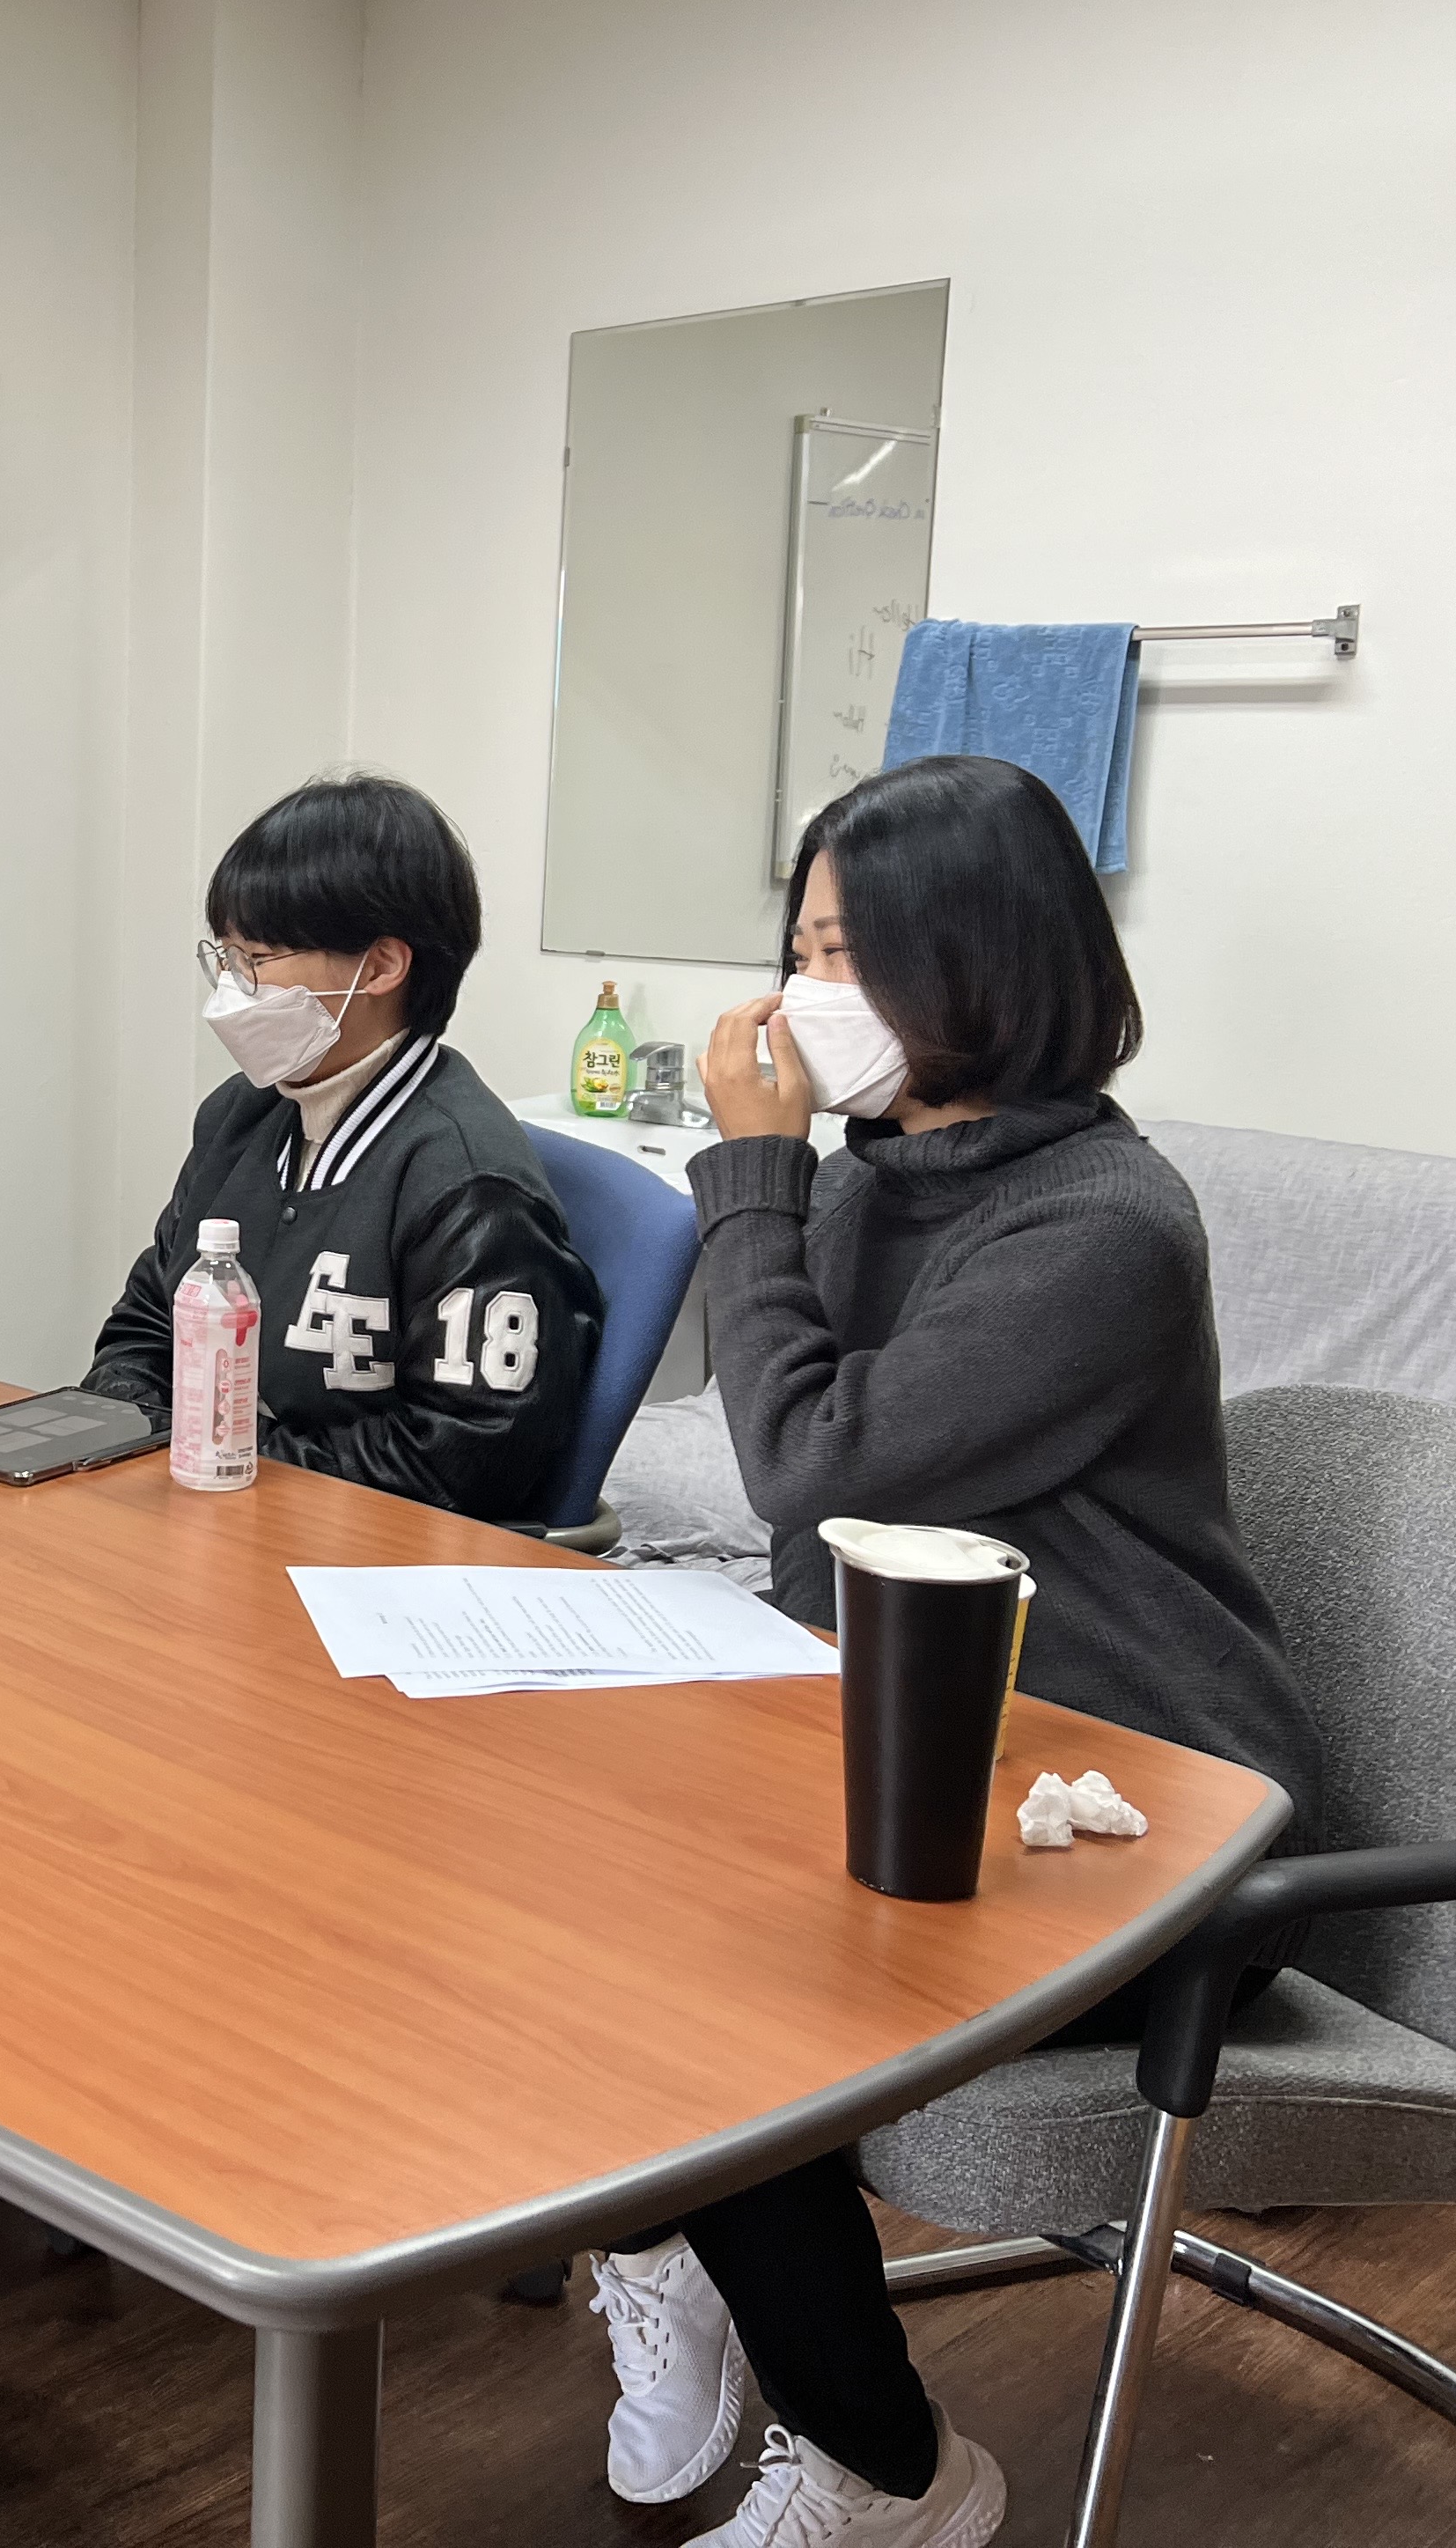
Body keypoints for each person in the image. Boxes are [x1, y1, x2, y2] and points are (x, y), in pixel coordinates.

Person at [570, 755, 1324, 2548]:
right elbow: (812, 1529)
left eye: (847, 954)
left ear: (976, 960)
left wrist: (752, 1172)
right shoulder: (882, 1178)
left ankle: (892, 2475)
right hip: (921, 1748)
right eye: (800, 946)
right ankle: (666, 2244)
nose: (800, 993)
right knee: (571, 1869)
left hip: (1142, 1811)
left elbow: (808, 1460)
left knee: (729, 2002)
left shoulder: (1100, 1228)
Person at [85, 770, 600, 1521]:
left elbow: (463, 1459)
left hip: (353, 1554)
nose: (231, 990)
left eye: (257, 960)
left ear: (382, 966)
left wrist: (230, 1460)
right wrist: (152, 1443)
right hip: (207, 1510)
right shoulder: (239, 1117)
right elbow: (145, 1326)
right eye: (224, 958)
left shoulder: (467, 1181)